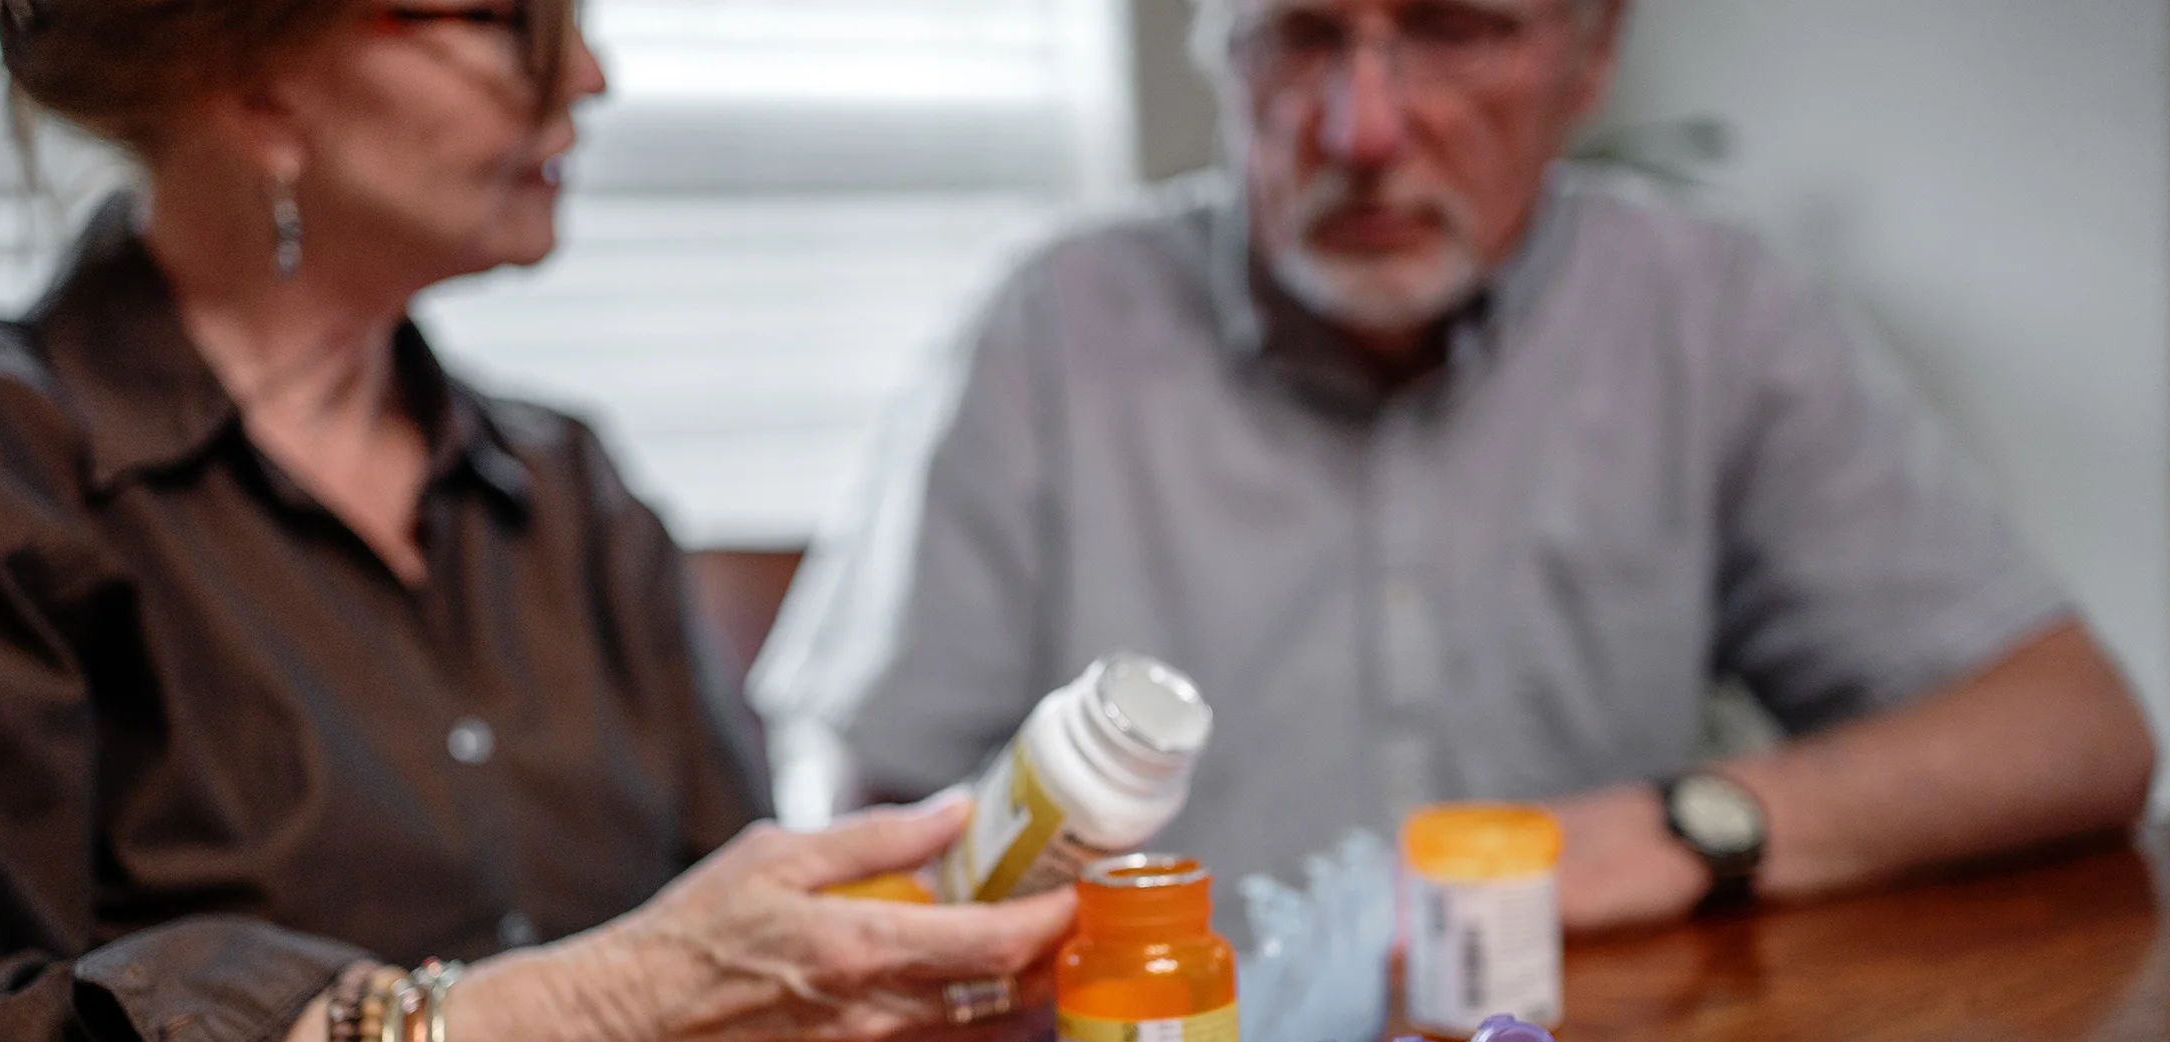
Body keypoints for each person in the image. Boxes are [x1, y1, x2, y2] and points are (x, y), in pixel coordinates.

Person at [0, 0, 1069, 1042]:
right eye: (499, 18)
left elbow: (729, 974)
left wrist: (926, 982)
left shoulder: (572, 494)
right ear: (257, 82)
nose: (588, 80)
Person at [751, 0, 2156, 931]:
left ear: (1589, 59)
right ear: (1220, 57)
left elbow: (2076, 731)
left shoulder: (1715, 311)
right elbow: (852, 822)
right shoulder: (1045, 332)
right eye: (1302, 35)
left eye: (1455, 28)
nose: (1364, 129)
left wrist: (1669, 828)